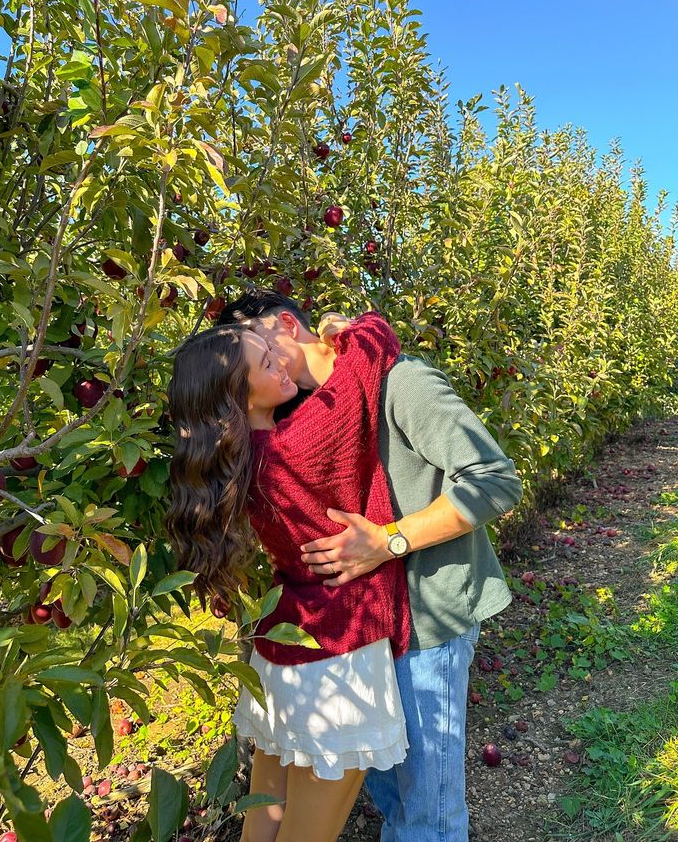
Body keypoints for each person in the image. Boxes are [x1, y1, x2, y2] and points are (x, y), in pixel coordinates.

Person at [217, 289, 523, 842]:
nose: (255, 356)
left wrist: (389, 541)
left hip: (426, 619)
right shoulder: (308, 415)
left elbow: (495, 482)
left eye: (260, 342)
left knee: (425, 810)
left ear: (288, 325)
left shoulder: (399, 382)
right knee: (394, 798)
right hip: (364, 637)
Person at [166, 312, 413, 842]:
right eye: (263, 359)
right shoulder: (301, 443)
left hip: (284, 651)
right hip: (337, 652)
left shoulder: (238, 460)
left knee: (266, 814)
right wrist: (346, 326)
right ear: (237, 393)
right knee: (310, 831)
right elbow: (373, 350)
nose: (281, 356)